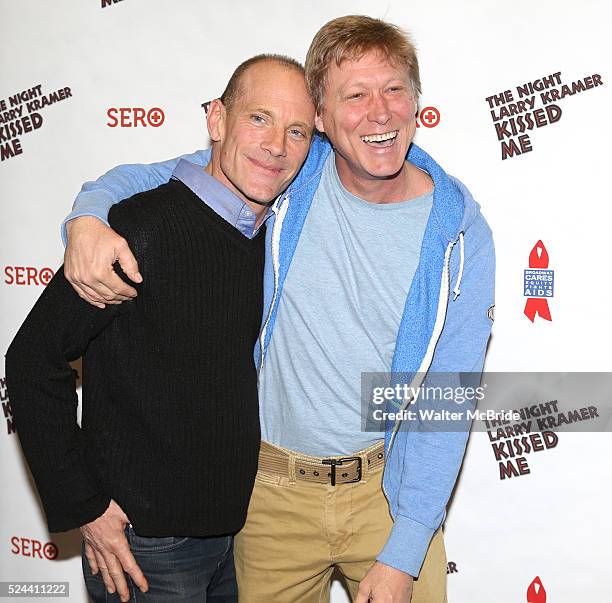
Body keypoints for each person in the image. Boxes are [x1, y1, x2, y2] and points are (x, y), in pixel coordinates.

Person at [60, 15, 495, 603]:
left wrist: (406, 548)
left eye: (394, 89)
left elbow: (448, 397)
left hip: (387, 497)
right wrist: (88, 214)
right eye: (355, 95)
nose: (381, 112)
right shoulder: (287, 170)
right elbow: (162, 177)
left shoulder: (460, 233)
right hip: (269, 498)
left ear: (417, 100)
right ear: (320, 116)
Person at [5, 54, 315, 603]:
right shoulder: (137, 228)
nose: (277, 145)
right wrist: (86, 507)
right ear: (216, 120)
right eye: (259, 118)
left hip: (236, 537)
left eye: (297, 131)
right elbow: (31, 362)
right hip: (144, 547)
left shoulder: (270, 236)